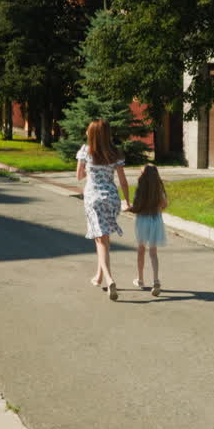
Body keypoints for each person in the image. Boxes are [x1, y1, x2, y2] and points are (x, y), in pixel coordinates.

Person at [76, 120, 131, 300]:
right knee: (103, 237)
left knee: (101, 240)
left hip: (94, 199)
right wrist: (127, 201)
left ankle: (109, 279)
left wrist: (89, 171)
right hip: (112, 199)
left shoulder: (86, 151)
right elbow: (123, 180)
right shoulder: (115, 153)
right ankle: (99, 276)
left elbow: (79, 176)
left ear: (92, 134)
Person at [128, 165, 168, 296]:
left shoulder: (140, 189)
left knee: (141, 250)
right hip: (156, 220)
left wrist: (129, 208)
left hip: (143, 220)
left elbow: (136, 206)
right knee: (153, 252)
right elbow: (164, 205)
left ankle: (140, 279)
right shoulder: (159, 189)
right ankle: (156, 280)